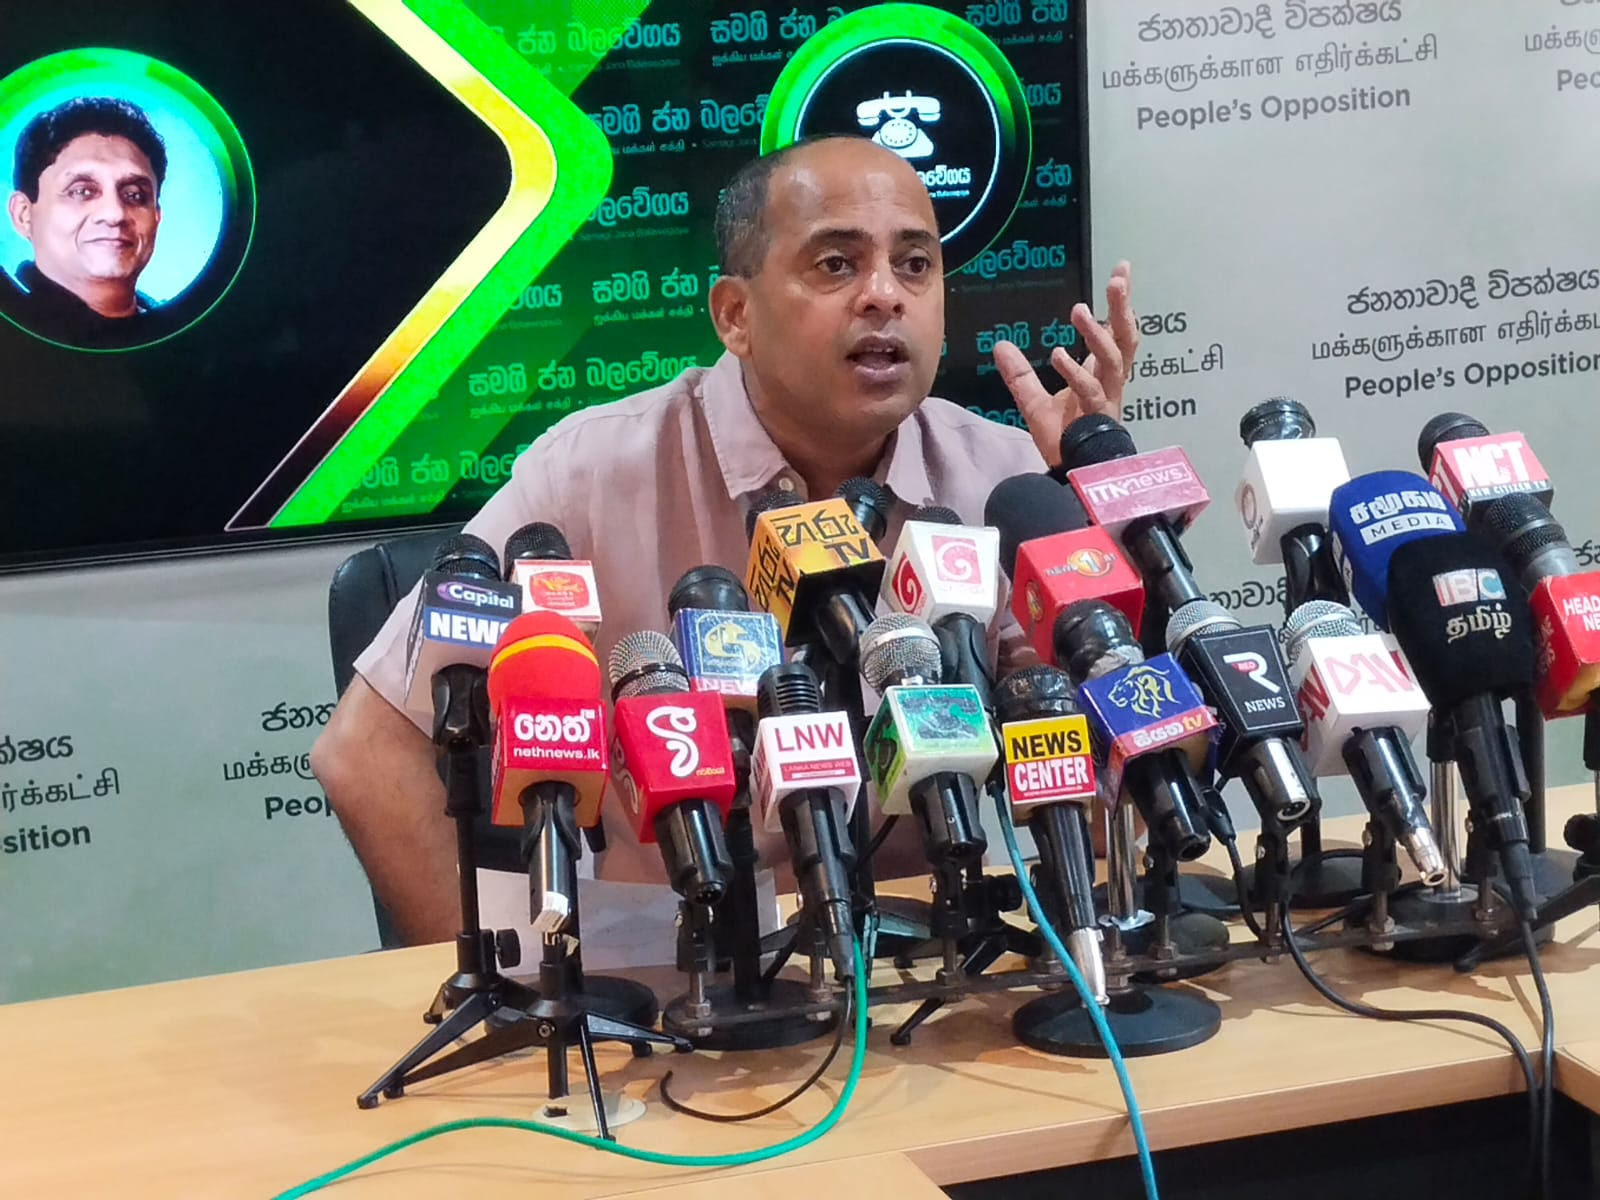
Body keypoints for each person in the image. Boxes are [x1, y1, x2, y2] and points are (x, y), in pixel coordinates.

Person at [312, 135, 1141, 945]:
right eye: (837, 264)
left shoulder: (1005, 479)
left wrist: (1093, 501)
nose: (886, 295)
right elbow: (366, 755)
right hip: (690, 976)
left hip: (931, 970)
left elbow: (1120, 790)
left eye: (916, 264)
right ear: (736, 316)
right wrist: (511, 987)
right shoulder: (589, 475)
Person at [3, 97, 166, 348]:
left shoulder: (184, 338)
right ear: (24, 214)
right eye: (82, 192)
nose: (114, 214)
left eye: (134, 195)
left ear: (156, 217)